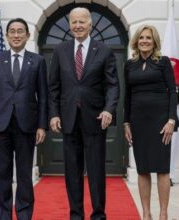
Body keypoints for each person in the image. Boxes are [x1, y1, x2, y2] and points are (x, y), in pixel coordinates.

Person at [48, 7, 119, 220]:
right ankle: (75, 215)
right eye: (74, 22)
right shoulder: (60, 50)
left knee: (96, 171)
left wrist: (108, 109)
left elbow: (113, 86)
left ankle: (98, 215)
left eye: (82, 22)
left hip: (95, 119)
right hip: (68, 120)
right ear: (70, 25)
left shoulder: (104, 51)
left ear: (90, 24)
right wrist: (53, 114)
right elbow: (53, 86)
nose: (77, 25)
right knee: (72, 172)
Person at [0, 18, 48, 220]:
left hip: (26, 125)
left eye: (21, 31)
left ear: (28, 36)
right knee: (2, 176)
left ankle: (24, 215)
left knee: (24, 176)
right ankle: (4, 216)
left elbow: (43, 96)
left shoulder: (37, 61)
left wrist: (42, 126)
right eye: (12, 31)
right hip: (1, 125)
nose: (16, 35)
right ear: (7, 35)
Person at [123, 24, 177, 220]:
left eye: (148, 37)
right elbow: (127, 96)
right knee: (143, 168)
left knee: (162, 168)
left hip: (161, 122)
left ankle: (163, 213)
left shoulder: (163, 62)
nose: (144, 41)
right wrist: (126, 123)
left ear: (154, 41)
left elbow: (173, 91)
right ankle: (146, 213)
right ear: (136, 41)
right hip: (138, 122)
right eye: (141, 37)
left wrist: (172, 120)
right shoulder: (130, 64)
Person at [170, 84, 179, 186]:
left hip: (174, 124)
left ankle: (170, 176)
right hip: (159, 123)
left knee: (172, 151)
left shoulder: (178, 87)